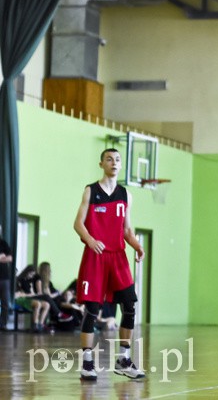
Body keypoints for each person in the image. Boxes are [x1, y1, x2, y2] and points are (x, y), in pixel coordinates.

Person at [73, 147, 146, 381]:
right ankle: (87, 363)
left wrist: (137, 246)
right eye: (109, 159)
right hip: (96, 255)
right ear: (101, 164)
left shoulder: (126, 195)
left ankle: (123, 359)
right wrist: (91, 240)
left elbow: (126, 229)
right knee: (92, 310)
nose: (113, 163)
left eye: (117, 160)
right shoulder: (90, 191)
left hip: (117, 257)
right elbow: (78, 224)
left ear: (121, 165)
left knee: (130, 305)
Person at [15, 264, 50, 332]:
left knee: (47, 304)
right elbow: (19, 294)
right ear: (27, 272)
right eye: (30, 274)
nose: (31, 276)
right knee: (38, 304)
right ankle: (35, 325)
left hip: (29, 297)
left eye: (32, 275)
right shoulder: (18, 280)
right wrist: (29, 295)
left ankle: (41, 324)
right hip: (21, 299)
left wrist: (32, 294)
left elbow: (31, 292)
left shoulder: (29, 281)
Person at [0, 234, 12, 331]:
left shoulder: (3, 243)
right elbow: (4, 257)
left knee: (5, 303)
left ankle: (3, 324)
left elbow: (9, 258)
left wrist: (3, 257)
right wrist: (1, 257)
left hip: (4, 278)